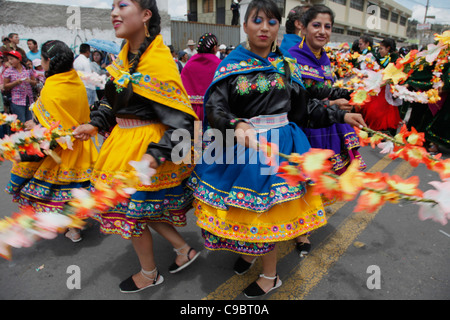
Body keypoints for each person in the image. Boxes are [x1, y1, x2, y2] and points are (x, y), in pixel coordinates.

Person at [187, 0, 366, 298]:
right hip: (244, 148)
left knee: (267, 212)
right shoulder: (231, 65)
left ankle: (270, 277)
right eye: (257, 20)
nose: (264, 28)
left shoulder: (286, 66)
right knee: (248, 210)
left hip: (281, 147)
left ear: (278, 28)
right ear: (244, 26)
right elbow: (215, 108)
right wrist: (238, 124)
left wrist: (340, 115)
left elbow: (305, 108)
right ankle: (251, 253)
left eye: (272, 22)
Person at [73, 0, 200, 293]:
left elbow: (183, 121)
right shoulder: (122, 59)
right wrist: (95, 123)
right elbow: (111, 101)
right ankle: (183, 250)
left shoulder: (157, 61)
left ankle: (149, 273)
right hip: (121, 143)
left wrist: (155, 155)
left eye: (123, 5)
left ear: (145, 15)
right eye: (113, 7)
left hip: (145, 148)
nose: (114, 13)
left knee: (134, 217)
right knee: (143, 212)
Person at [288, 4, 366, 256]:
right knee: (303, 180)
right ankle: (299, 231)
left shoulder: (325, 58)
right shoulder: (292, 56)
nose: (322, 31)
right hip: (305, 129)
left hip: (328, 128)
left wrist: (352, 93)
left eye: (328, 26)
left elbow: (326, 89)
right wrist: (333, 102)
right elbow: (301, 99)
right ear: (303, 26)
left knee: (320, 181)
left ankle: (306, 225)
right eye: (316, 25)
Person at [5, 40, 99, 243]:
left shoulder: (52, 88)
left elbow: (50, 129)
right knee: (76, 190)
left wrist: (32, 126)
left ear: (48, 62)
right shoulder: (75, 82)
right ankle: (75, 227)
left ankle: (68, 227)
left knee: (57, 191)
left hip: (62, 150)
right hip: (83, 145)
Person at [359, 37, 402, 137]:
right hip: (378, 87)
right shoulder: (380, 58)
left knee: (382, 111)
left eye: (382, 48)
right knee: (372, 110)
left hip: (387, 89)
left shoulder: (396, 60)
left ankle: (382, 132)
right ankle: (374, 130)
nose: (380, 51)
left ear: (388, 48)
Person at [181, 33, 221, 121]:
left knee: (197, 134)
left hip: (193, 112)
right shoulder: (219, 65)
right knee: (215, 134)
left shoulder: (189, 64)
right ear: (214, 48)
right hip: (213, 111)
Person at [2, 50, 36, 123]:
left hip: (29, 100)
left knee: (30, 122)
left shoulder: (27, 69)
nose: (10, 61)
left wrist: (30, 81)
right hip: (17, 101)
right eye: (8, 59)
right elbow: (5, 86)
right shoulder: (8, 71)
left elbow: (35, 82)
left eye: (11, 59)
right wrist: (16, 82)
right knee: (21, 123)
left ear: (18, 59)